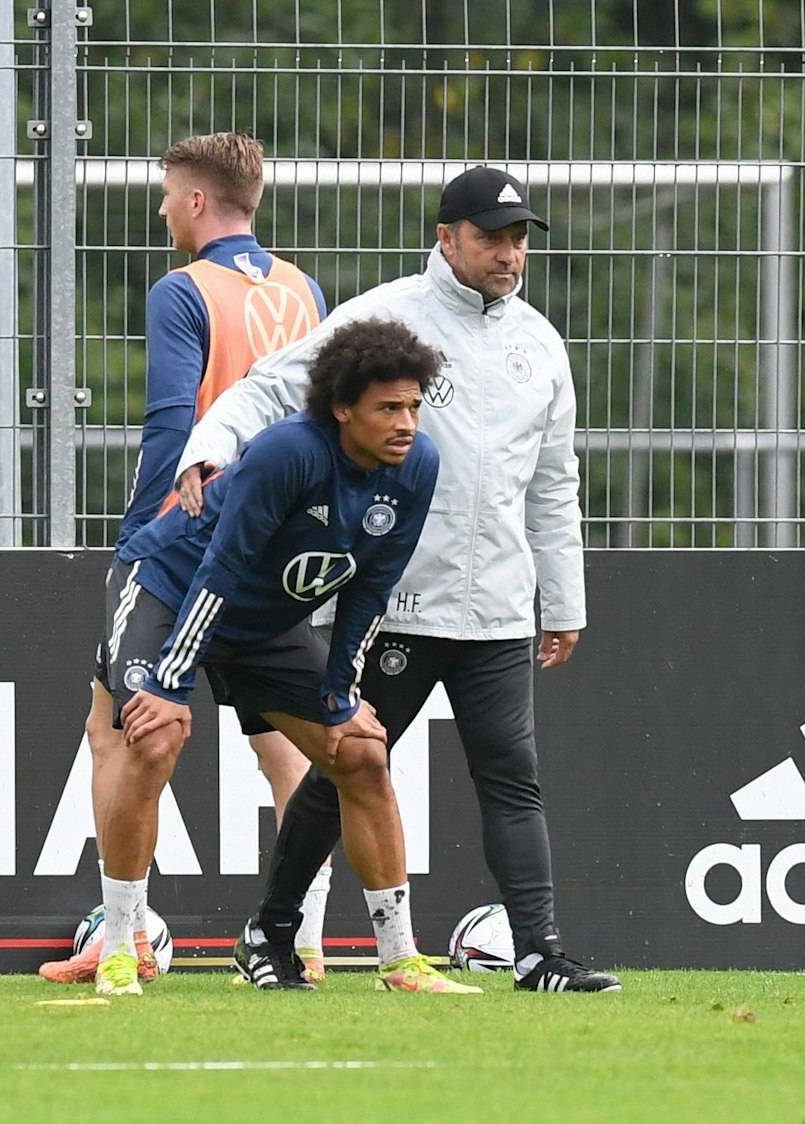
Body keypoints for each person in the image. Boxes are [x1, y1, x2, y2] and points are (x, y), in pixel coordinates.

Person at [176, 167, 619, 993]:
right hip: (397, 604)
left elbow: (554, 481)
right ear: (446, 238)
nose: (509, 254)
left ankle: (540, 953)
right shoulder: (383, 318)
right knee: (348, 764)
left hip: (497, 611)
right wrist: (212, 442)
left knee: (512, 778)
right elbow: (274, 384)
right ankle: (271, 933)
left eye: (519, 238)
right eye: (492, 237)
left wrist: (560, 599)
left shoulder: (540, 344)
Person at [36, 132, 343, 986]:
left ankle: (124, 941)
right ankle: (305, 943)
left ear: (200, 202)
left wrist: (141, 534)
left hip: (182, 540)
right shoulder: (301, 288)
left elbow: (174, 422)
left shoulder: (182, 291)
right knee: (286, 748)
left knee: (114, 731)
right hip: (275, 541)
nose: (163, 207)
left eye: (170, 194)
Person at [93, 316, 475, 996]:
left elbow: (371, 590)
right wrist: (173, 683)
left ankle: (401, 960)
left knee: (361, 751)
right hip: (173, 590)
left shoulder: (417, 468)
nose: (407, 423)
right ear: (342, 408)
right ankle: (121, 950)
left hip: (263, 624)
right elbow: (220, 565)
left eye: (414, 406)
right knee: (154, 738)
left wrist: (337, 697)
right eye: (389, 407)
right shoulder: (285, 453)